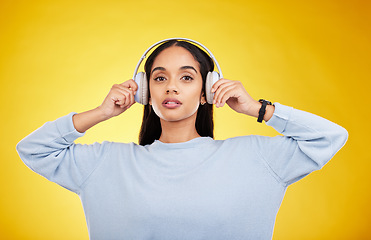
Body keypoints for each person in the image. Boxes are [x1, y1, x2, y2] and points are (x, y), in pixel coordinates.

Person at [16, 39, 348, 240]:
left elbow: (330, 137)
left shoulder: (255, 157)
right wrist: (102, 113)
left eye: (186, 77)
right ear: (146, 92)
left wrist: (256, 108)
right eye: (160, 78)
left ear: (206, 91)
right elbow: (33, 150)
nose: (171, 87)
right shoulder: (106, 162)